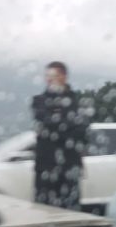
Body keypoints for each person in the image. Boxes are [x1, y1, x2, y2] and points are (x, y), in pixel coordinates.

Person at [31, 61, 91, 209]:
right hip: (45, 166)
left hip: (70, 166)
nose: (49, 80)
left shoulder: (78, 101)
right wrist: (69, 125)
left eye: (53, 76)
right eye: (47, 76)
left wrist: (57, 125)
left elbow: (83, 130)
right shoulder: (39, 101)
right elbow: (45, 121)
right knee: (43, 209)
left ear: (64, 77)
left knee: (70, 210)